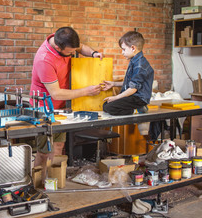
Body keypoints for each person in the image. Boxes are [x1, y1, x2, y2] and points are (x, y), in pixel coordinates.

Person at [29, 26, 103, 184]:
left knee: (58, 146)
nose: (73, 54)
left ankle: (51, 182)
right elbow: (56, 93)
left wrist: (94, 53)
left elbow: (81, 48)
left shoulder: (65, 42)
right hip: (43, 108)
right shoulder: (44, 59)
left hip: (60, 108)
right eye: (70, 53)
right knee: (44, 151)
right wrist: (86, 91)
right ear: (58, 47)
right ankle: (38, 185)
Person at [100, 31, 154, 116]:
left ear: (133, 48)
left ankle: (137, 110)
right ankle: (134, 109)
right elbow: (131, 83)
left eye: (124, 49)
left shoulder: (140, 65)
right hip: (133, 96)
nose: (122, 52)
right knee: (106, 106)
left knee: (110, 107)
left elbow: (133, 89)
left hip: (139, 99)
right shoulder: (134, 61)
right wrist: (114, 84)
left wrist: (116, 97)